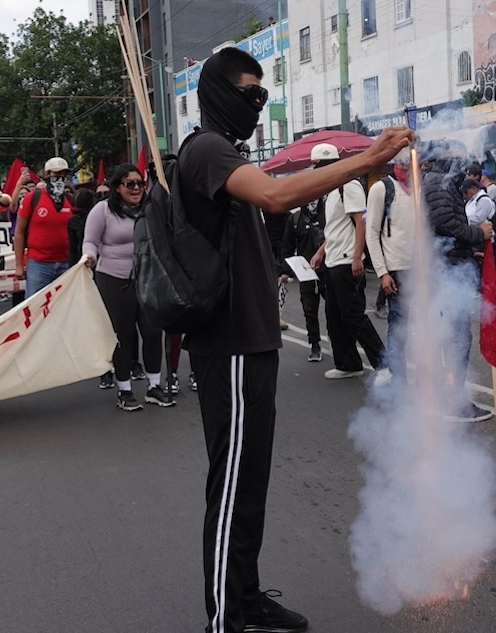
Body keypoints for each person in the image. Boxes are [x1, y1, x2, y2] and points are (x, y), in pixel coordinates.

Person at [176, 46, 412, 633]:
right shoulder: (206, 149)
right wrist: (365, 160)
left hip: (253, 342)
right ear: (216, 92)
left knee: (250, 481)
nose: (255, 104)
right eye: (246, 93)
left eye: (262, 94)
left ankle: (246, 596)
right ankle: (226, 617)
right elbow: (279, 195)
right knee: (231, 484)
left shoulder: (228, 153)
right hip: (226, 345)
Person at [83, 164, 172, 411]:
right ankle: (125, 390)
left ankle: (154, 386)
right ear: (117, 187)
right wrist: (89, 256)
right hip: (113, 279)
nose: (135, 188)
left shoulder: (152, 210)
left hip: (149, 277)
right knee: (123, 336)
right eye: (129, 184)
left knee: (153, 332)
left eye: (139, 183)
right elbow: (90, 240)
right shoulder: (103, 211)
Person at [421, 140, 495, 422]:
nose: (464, 160)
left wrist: (469, 248)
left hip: (449, 264)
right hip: (445, 270)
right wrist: (478, 234)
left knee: (453, 336)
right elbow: (445, 224)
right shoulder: (439, 182)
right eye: (458, 153)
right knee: (456, 337)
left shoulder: (442, 180)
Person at [308, 142, 386, 380]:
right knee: (334, 316)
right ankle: (348, 363)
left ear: (329, 165)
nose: (316, 171)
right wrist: (321, 251)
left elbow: (359, 223)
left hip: (346, 261)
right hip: (332, 260)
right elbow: (335, 230)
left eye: (319, 166)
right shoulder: (331, 192)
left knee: (353, 315)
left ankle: (384, 365)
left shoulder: (348, 185)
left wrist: (356, 257)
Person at [367, 157, 414, 384]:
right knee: (398, 327)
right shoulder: (381, 188)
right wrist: (382, 272)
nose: (408, 165)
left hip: (420, 271)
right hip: (396, 271)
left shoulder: (419, 188)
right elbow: (372, 232)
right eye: (403, 160)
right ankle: (399, 378)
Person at [15, 157, 74, 298]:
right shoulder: (32, 198)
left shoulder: (71, 199)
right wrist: (18, 265)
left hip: (66, 264)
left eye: (63, 174)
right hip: (39, 265)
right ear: (47, 175)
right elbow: (19, 233)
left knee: (64, 308)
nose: (60, 178)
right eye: (56, 174)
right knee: (36, 310)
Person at [280, 193, 327, 362]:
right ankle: (314, 344)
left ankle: (338, 342)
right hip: (305, 272)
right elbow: (287, 246)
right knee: (309, 311)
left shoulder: (328, 212)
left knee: (333, 310)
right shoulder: (295, 220)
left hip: (328, 270)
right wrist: (286, 271)